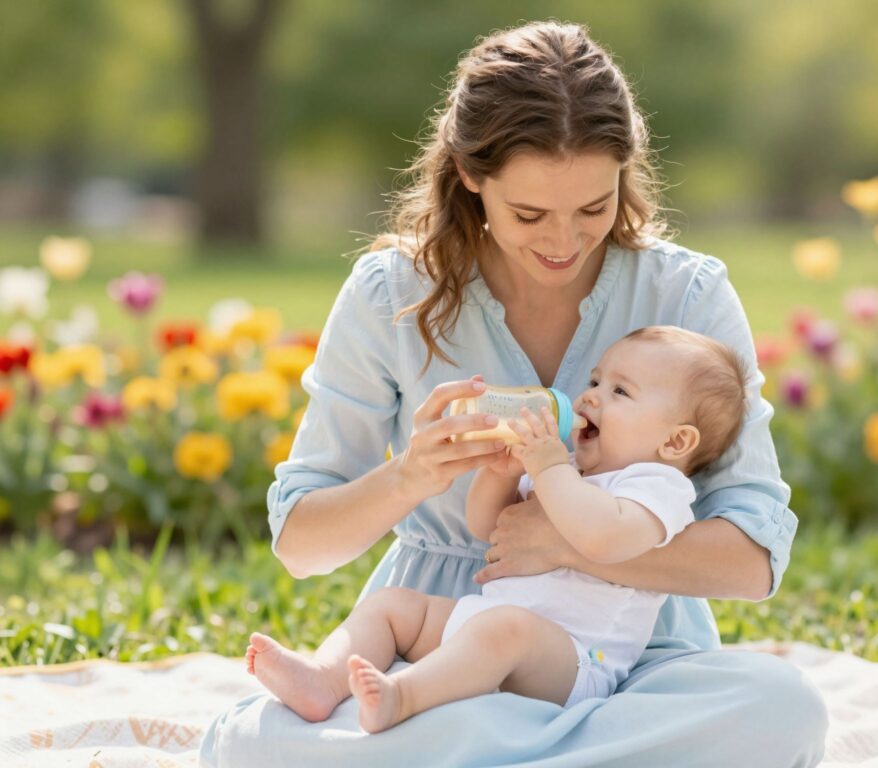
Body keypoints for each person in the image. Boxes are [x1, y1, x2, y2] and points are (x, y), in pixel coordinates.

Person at [202, 20, 827, 767]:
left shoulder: (684, 292)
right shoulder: (391, 292)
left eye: (594, 208)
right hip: (445, 652)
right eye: (530, 214)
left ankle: (478, 752)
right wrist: (410, 476)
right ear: (470, 174)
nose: (564, 241)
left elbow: (753, 560)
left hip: (631, 661)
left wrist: (573, 546)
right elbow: (302, 545)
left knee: (782, 708)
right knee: (253, 745)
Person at [245, 326, 745, 731]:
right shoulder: (569, 466)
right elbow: (490, 527)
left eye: (619, 391)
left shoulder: (656, 486)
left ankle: (403, 697)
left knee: (505, 629)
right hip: (489, 626)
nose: (591, 398)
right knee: (395, 606)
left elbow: (604, 539)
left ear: (676, 441)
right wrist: (500, 474)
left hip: (574, 661)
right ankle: (322, 679)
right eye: (594, 382)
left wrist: (549, 468)